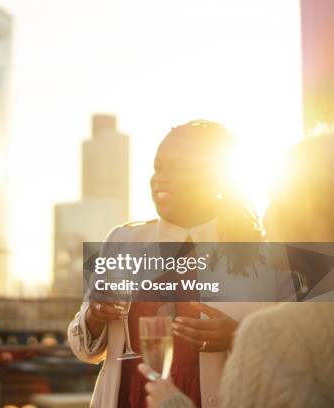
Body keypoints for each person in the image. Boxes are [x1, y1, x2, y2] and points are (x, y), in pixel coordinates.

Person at [68, 120, 279, 408]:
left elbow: (296, 359)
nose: (161, 178)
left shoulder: (264, 258)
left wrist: (238, 337)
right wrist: (94, 315)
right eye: (158, 167)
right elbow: (84, 349)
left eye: (179, 168)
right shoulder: (122, 240)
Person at [138, 135, 334, 407]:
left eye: (274, 199)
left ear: (306, 212)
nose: (265, 215)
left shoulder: (274, 333)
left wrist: (170, 401)